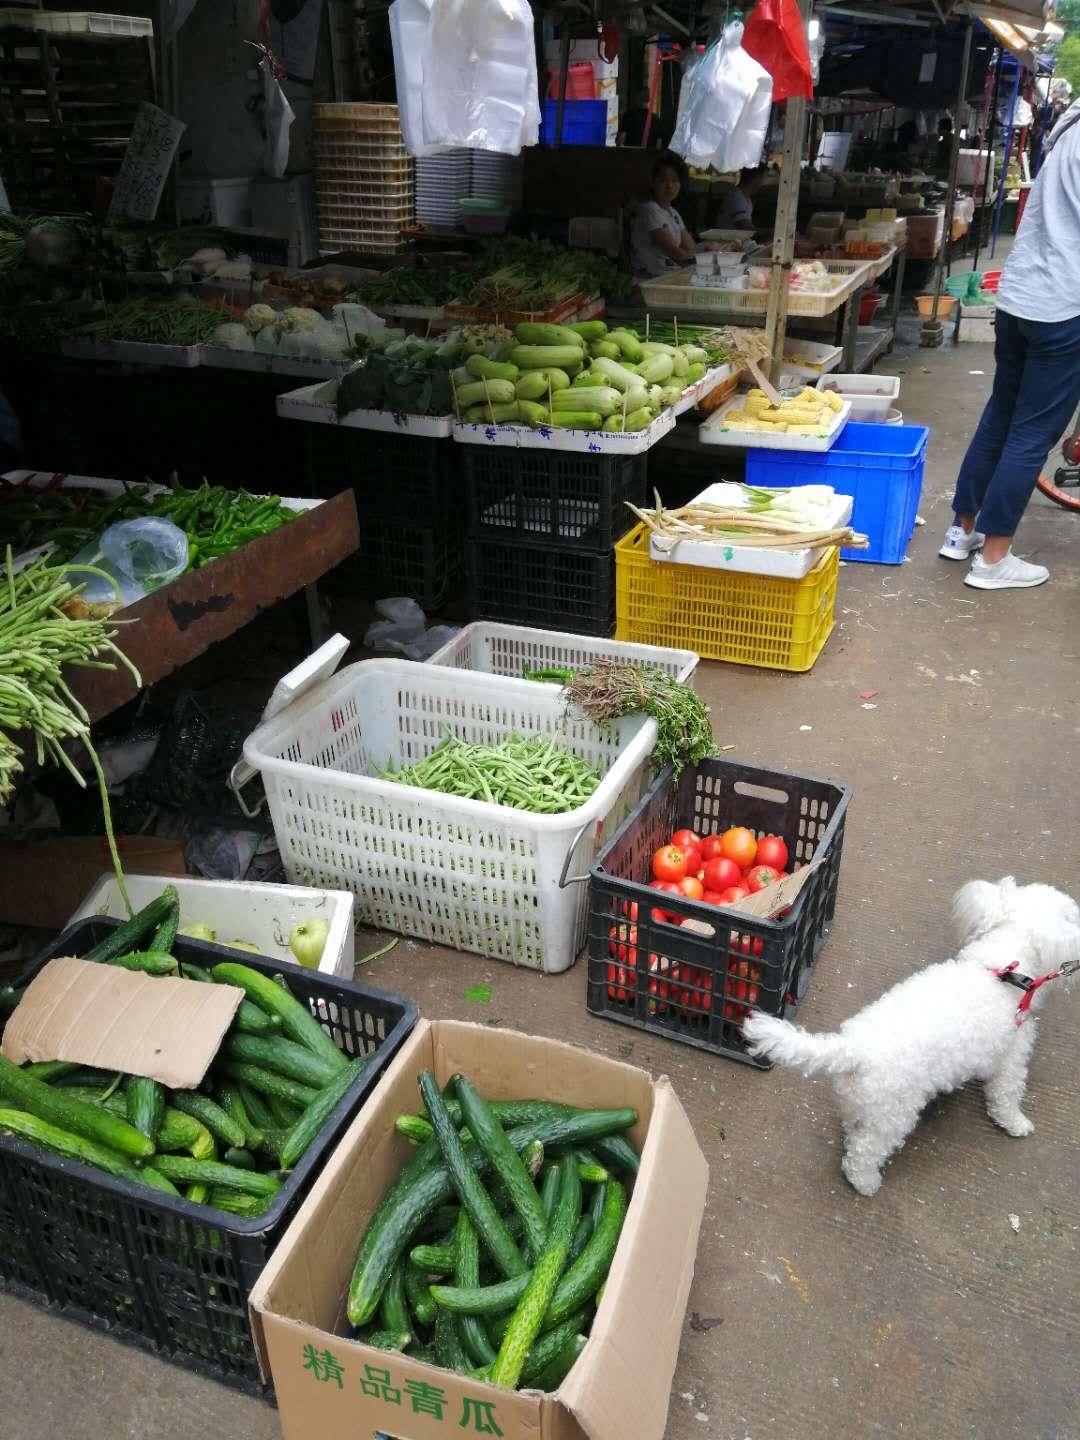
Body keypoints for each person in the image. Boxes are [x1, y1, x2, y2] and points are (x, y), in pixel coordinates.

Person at [940, 96, 1080, 590]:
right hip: (1063, 304)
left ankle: (963, 531)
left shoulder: (1067, 126)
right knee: (1031, 433)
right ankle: (995, 559)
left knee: (1001, 414)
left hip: (1021, 298)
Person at [630, 154, 696, 277]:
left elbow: (691, 248)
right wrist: (700, 264)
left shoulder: (673, 213)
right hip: (649, 277)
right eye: (663, 180)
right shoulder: (649, 209)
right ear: (653, 183)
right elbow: (673, 251)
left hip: (669, 273)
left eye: (675, 181)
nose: (669, 186)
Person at [717, 165, 767, 230]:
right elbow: (744, 226)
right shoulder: (736, 196)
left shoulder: (746, 198)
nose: (764, 182)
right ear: (756, 178)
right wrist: (769, 233)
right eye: (763, 177)